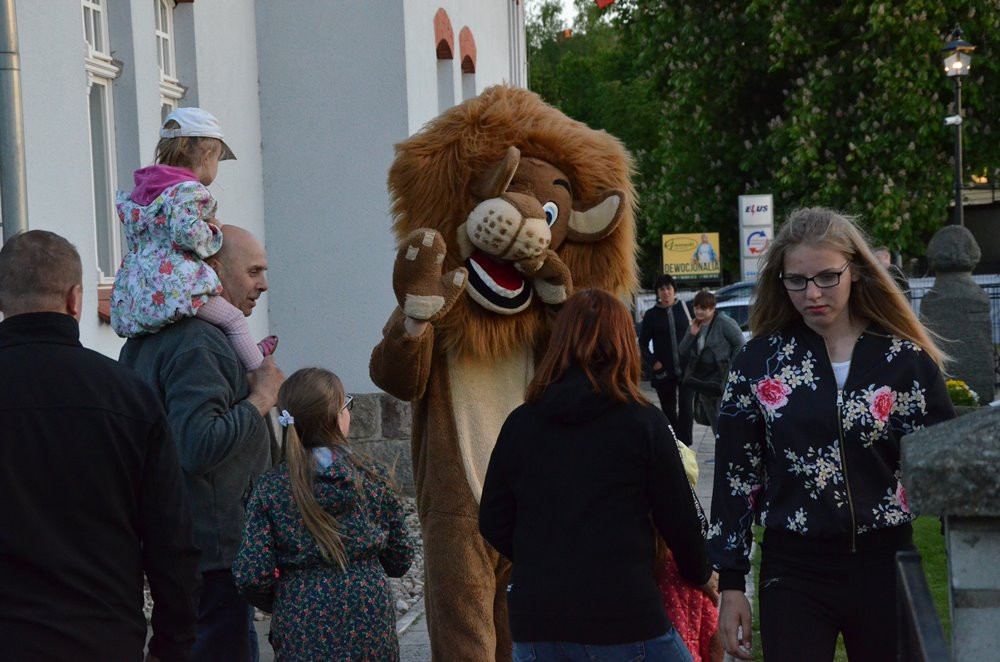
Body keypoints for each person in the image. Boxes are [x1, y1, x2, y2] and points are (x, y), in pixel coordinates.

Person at [710, 208, 955, 661]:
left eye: (827, 277)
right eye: (797, 280)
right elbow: (736, 476)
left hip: (887, 566)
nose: (812, 293)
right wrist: (730, 583)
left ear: (856, 270)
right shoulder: (758, 363)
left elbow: (946, 468)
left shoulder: (907, 362)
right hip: (793, 570)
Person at [480, 288, 713, 662]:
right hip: (626, 615)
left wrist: (541, 556)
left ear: (559, 342)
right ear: (625, 344)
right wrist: (701, 573)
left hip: (538, 621)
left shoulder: (520, 424)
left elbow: (492, 518)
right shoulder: (643, 423)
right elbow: (680, 519)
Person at [0, 230, 199, 661]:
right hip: (102, 638)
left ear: (2, 300)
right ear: (76, 300)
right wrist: (172, 644)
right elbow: (171, 538)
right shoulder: (130, 395)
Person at [120, 224, 285, 662]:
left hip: (184, 539)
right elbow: (197, 445)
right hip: (214, 550)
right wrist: (261, 399)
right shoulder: (199, 343)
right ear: (213, 270)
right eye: (253, 271)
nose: (263, 284)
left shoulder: (148, 338)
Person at [234, 368, 413, 660]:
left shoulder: (272, 487)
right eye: (347, 404)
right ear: (337, 417)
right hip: (368, 615)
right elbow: (400, 559)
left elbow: (252, 574)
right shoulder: (373, 478)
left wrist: (284, 597)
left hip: (300, 619)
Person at [111, 106, 277, 371]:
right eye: (218, 160)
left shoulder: (145, 192)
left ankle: (243, 355)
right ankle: (256, 367)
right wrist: (213, 230)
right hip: (175, 286)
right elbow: (189, 234)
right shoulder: (188, 191)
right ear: (208, 155)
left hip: (142, 286)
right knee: (233, 319)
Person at [679, 290, 745, 437]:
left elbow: (740, 344)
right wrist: (692, 334)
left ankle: (730, 454)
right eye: (696, 308)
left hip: (722, 379)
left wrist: (731, 369)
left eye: (703, 308)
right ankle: (722, 452)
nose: (699, 312)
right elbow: (682, 350)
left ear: (712, 308)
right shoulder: (696, 324)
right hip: (703, 381)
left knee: (725, 421)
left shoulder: (723, 322)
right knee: (714, 424)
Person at [640, 273, 695, 445]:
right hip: (663, 370)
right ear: (657, 292)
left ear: (674, 290)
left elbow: (697, 335)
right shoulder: (651, 315)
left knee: (687, 409)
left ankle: (686, 445)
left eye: (668, 288)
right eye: (661, 289)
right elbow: (642, 344)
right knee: (668, 410)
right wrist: (654, 363)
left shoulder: (686, 309)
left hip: (687, 369)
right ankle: (674, 445)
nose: (666, 292)